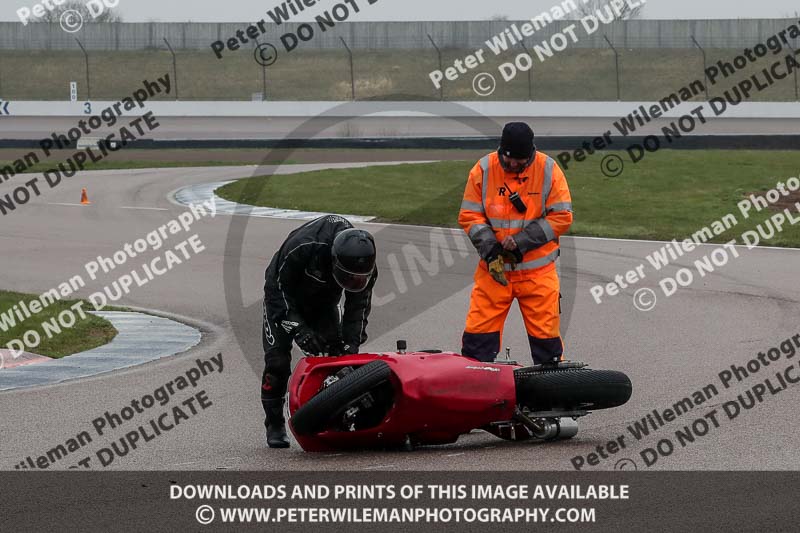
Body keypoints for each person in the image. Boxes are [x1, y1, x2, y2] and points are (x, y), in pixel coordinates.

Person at [458, 122, 573, 365]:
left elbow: (562, 217)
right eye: (508, 160)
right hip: (494, 271)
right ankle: (476, 390)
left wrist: (521, 242)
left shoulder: (548, 170)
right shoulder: (483, 169)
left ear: (530, 154)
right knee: (477, 341)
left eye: (520, 163)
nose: (512, 166)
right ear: (501, 151)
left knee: (547, 346)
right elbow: (470, 216)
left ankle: (551, 392)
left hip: (537, 274)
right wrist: (491, 250)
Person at [261, 215, 378, 448]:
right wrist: (298, 328)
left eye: (358, 279)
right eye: (347, 277)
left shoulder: (366, 266)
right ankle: (274, 422)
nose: (353, 282)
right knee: (277, 362)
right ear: (333, 260)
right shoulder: (304, 245)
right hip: (285, 300)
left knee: (339, 359)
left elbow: (358, 309)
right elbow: (275, 286)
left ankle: (335, 415)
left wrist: (351, 346)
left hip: (324, 305)